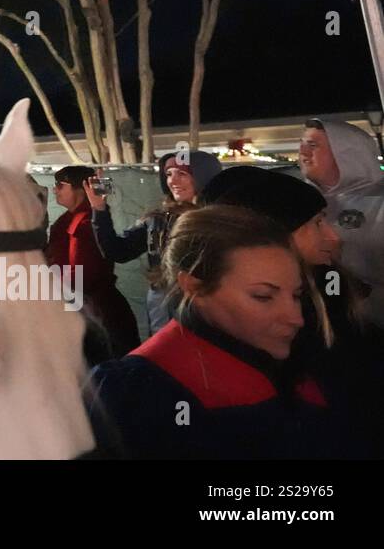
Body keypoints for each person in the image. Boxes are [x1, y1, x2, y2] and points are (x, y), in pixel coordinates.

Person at [87, 204, 364, 458]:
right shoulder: (136, 394)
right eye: (263, 296)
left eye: (296, 296)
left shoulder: (308, 363)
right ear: (194, 286)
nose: (295, 318)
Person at [200, 165, 384, 453]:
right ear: (277, 233)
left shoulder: (328, 290)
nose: (334, 237)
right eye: (317, 223)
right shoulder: (281, 319)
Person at [86, 150, 222, 336]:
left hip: (206, 310)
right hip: (163, 309)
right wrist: (99, 208)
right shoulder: (158, 219)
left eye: (181, 173)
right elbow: (118, 251)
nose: (173, 181)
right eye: (168, 174)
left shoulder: (222, 221)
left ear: (203, 176)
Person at [47, 165, 140, 358]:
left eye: (60, 185)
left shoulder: (86, 222)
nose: (54, 189)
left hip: (96, 314)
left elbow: (83, 274)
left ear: (81, 188)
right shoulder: (68, 221)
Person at [300, 119, 384, 328]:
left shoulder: (380, 200)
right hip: (325, 325)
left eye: (313, 145)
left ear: (347, 153)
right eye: (302, 144)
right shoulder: (300, 203)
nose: (302, 151)